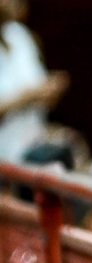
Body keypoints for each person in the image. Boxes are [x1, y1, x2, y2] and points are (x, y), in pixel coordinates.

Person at [0, 0, 68, 164]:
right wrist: (28, 97)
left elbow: (44, 100)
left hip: (30, 148)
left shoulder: (20, 35)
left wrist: (51, 91)